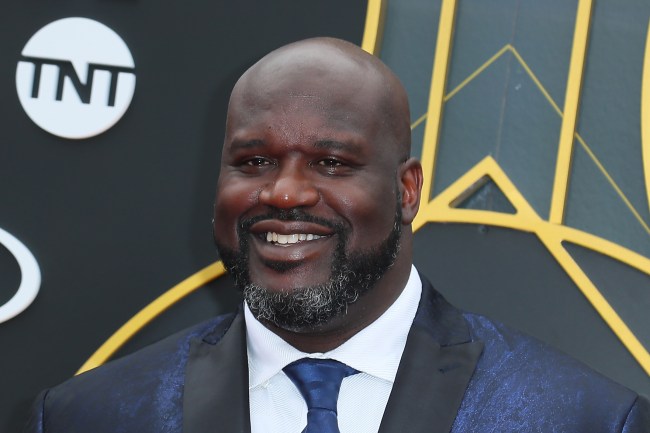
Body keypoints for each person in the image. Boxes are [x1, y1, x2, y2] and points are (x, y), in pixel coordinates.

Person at [25, 37, 649, 433]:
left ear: (407, 190)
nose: (284, 193)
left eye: (331, 163)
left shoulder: (580, 418)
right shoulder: (90, 416)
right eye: (254, 161)